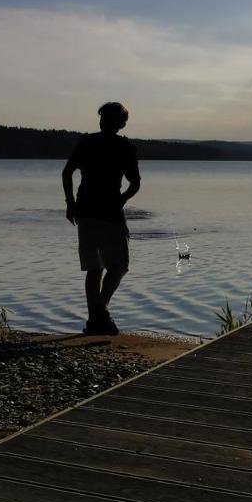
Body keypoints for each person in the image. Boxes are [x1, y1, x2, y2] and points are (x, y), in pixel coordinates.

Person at [62, 102, 140, 335]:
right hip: (106, 212)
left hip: (86, 210)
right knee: (119, 266)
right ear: (122, 123)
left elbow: (67, 172)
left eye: (106, 118)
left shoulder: (89, 142)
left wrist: (70, 203)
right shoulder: (124, 146)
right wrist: (122, 198)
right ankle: (100, 311)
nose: (104, 122)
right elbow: (135, 183)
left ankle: (95, 317)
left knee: (95, 268)